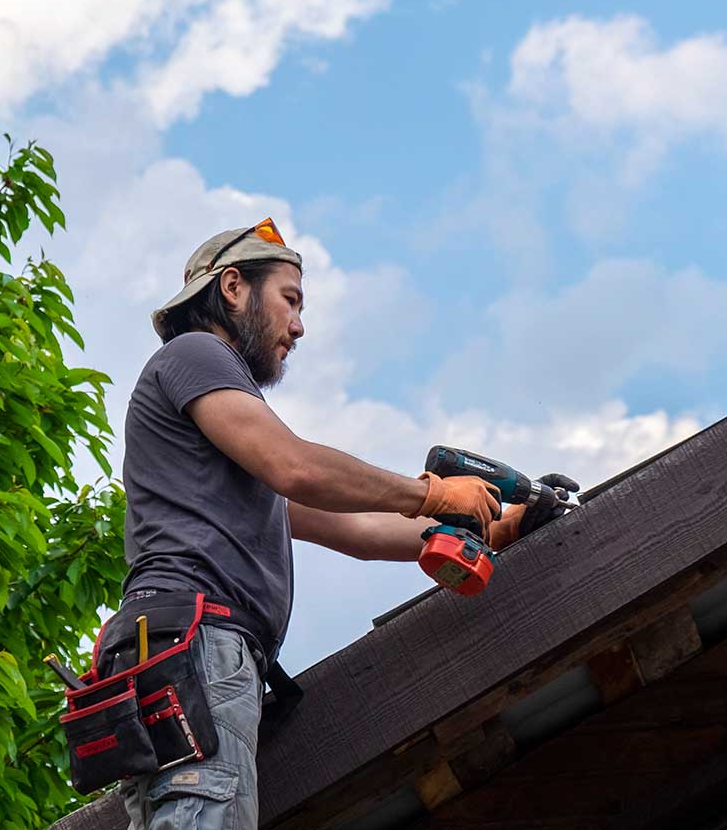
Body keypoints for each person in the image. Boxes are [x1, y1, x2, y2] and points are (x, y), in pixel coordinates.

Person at [116, 218, 576, 830]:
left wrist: (498, 530)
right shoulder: (194, 354)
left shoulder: (218, 461)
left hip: (176, 653)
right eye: (290, 300)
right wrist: (433, 492)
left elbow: (354, 531)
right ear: (232, 287)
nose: (300, 326)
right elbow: (297, 467)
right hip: (197, 645)